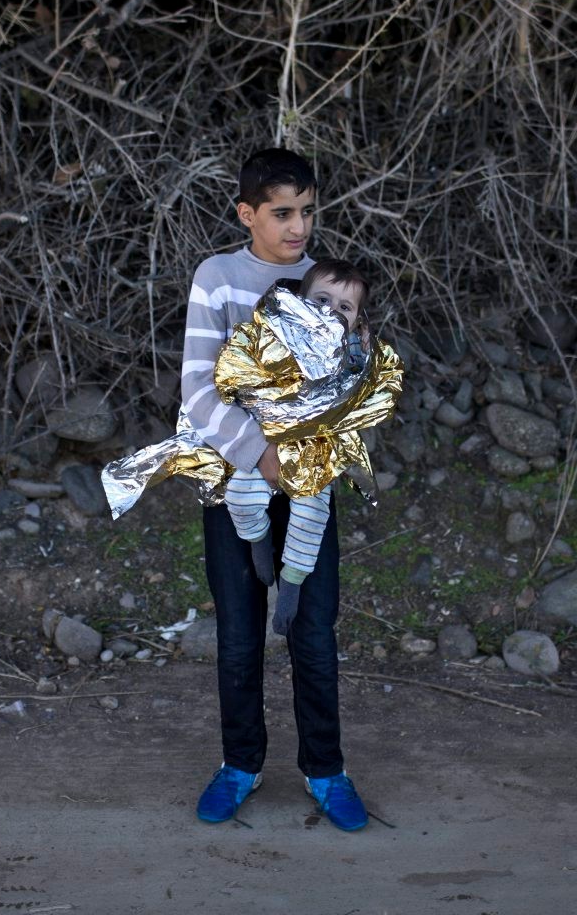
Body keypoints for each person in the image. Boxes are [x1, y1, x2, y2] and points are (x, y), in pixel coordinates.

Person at [181, 147, 372, 831]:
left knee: (312, 634)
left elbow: (354, 372)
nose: (298, 227)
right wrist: (259, 455)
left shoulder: (325, 279)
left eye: (308, 211)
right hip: (236, 477)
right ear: (247, 214)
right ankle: (241, 765)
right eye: (282, 213)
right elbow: (197, 388)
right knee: (239, 637)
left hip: (311, 481)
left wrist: (318, 447)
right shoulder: (218, 277)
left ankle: (326, 771)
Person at [219, 259, 376, 640]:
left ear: (356, 321)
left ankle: (291, 584)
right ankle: (258, 542)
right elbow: (242, 367)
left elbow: (361, 391)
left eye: (344, 307)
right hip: (266, 441)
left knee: (310, 514)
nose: (331, 311)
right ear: (301, 300)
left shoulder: (352, 349)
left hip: (314, 449)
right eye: (322, 299)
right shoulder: (276, 329)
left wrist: (359, 352)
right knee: (239, 496)